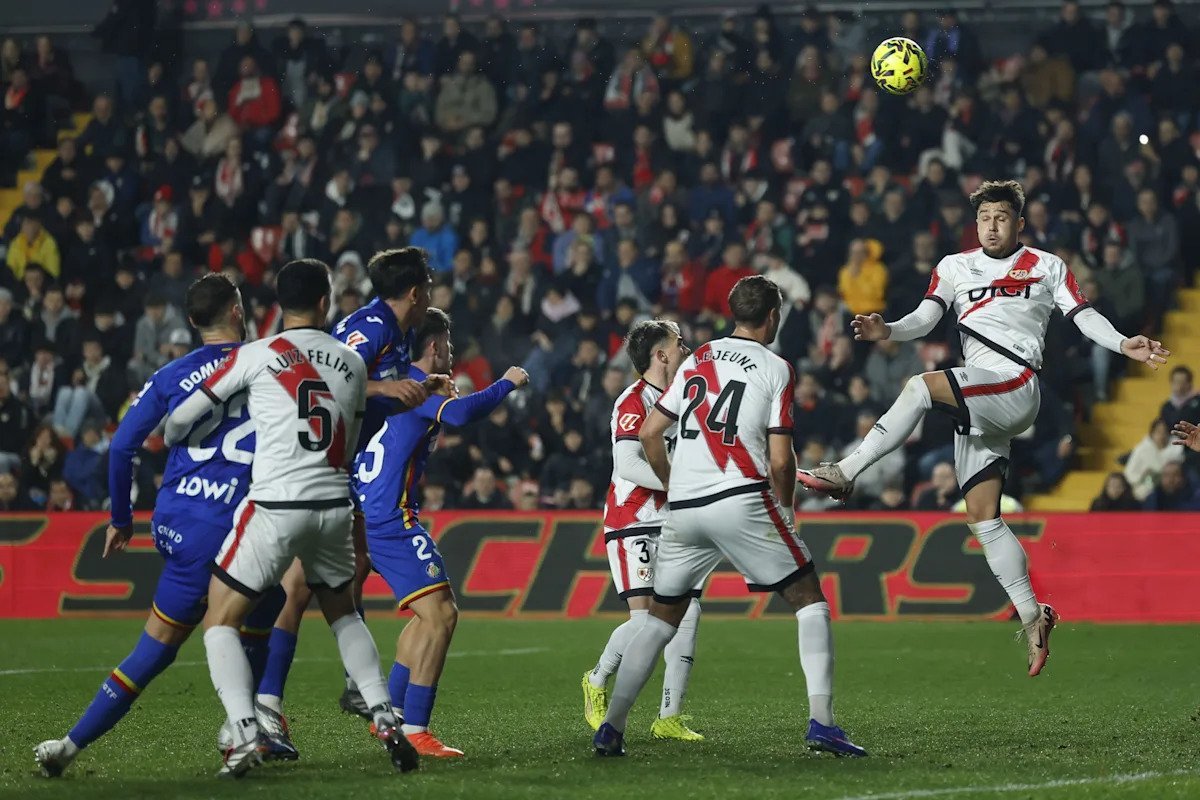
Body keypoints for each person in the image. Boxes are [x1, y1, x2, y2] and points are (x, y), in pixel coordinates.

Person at [797, 180, 1170, 677]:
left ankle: (844, 472)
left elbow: (1082, 316)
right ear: (975, 224)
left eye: (1001, 217)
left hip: (1015, 385)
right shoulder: (954, 266)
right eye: (984, 218)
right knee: (983, 517)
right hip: (981, 399)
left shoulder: (1046, 265)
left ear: (1019, 223)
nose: (991, 225)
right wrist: (887, 329)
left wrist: (1124, 344)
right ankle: (1033, 616)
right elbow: (925, 318)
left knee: (922, 386)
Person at [161, 259, 419, 777]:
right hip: (334, 507)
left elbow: (182, 417)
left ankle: (241, 729)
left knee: (220, 621)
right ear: (325, 302)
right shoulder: (351, 362)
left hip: (276, 504)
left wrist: (173, 437)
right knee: (343, 613)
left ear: (279, 305)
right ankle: (386, 716)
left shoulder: (257, 354)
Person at [594, 276, 866, 758]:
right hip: (740, 498)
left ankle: (612, 728)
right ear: (774, 317)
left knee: (660, 620)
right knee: (809, 599)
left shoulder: (697, 357)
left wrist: (676, 484)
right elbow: (780, 461)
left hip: (685, 509)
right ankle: (822, 723)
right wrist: (784, 510)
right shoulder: (776, 367)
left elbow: (653, 432)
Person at [33, 275, 285, 778]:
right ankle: (248, 727)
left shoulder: (172, 374)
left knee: (163, 645)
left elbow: (123, 445)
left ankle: (69, 745)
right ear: (238, 311)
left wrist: (122, 521)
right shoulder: (269, 366)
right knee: (260, 607)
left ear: (192, 322)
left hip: (181, 522)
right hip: (238, 521)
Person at [254, 247, 448, 747]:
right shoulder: (372, 326)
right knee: (298, 588)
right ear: (415, 292)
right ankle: (266, 706)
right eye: (428, 288)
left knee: (353, 567)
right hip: (317, 467)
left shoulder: (396, 332)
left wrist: (414, 387)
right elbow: (324, 383)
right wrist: (388, 388)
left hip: (343, 471)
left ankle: (345, 687)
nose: (430, 297)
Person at [354, 308, 529, 758]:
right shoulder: (417, 388)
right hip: (391, 518)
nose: (451, 352)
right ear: (435, 347)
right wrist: (508, 381)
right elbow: (462, 414)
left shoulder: (400, 386)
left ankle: (389, 716)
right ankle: (415, 729)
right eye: (447, 343)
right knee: (442, 615)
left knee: (425, 615)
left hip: (368, 513)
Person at [582, 319, 706, 744]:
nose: (686, 347)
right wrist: (679, 482)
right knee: (645, 620)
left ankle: (668, 716)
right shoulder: (634, 400)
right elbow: (628, 465)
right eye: (679, 342)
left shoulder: (685, 398)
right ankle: (597, 680)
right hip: (632, 519)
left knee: (685, 614)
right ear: (660, 355)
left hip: (674, 520)